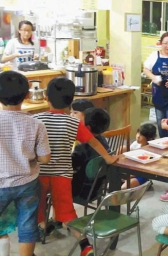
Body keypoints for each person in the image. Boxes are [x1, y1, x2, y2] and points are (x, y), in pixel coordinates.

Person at [33, 77, 118, 256]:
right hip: (62, 176)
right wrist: (109, 158)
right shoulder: (73, 123)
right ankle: (85, 245)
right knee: (68, 213)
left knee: (37, 208)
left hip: (39, 174)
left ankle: (41, 228)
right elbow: (93, 142)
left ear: (46, 97)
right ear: (71, 101)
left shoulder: (36, 120)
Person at [0, 71, 51, 256]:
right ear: (28, 95)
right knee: (27, 225)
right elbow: (45, 158)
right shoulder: (36, 124)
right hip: (27, 183)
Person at [72, 107, 111, 199]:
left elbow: (69, 165)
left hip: (81, 191)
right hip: (97, 189)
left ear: (87, 127)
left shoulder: (82, 148)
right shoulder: (103, 141)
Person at [121, 123, 157, 189]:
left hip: (142, 175)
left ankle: (147, 184)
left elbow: (145, 169)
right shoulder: (136, 144)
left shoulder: (151, 151)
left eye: (141, 135)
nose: (138, 136)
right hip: (131, 172)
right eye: (138, 133)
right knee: (111, 185)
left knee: (124, 187)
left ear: (149, 138)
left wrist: (131, 175)